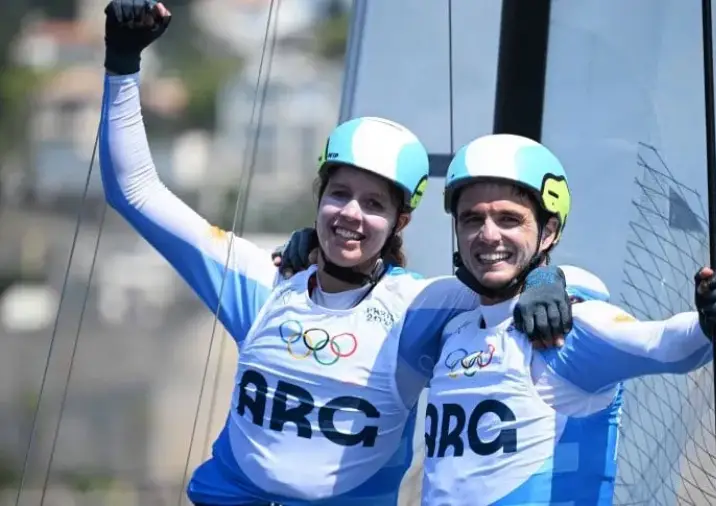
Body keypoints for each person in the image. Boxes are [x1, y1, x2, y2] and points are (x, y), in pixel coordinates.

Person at [99, 2, 606, 505]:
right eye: (339, 194)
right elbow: (135, 192)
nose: (351, 214)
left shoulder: (420, 308)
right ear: (318, 198)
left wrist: (550, 279)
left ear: (400, 222)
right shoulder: (263, 282)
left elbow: (517, 278)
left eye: (374, 204)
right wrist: (122, 63)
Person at [415, 133, 716, 505]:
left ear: (548, 232)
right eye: (472, 219)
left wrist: (709, 321)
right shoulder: (454, 327)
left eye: (509, 219)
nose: (488, 235)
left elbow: (666, 345)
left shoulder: (570, 327)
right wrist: (549, 276)